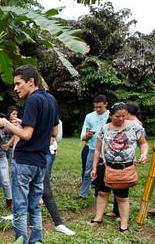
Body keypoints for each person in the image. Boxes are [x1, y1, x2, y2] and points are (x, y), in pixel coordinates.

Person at [0, 65, 58, 244]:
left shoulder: (32, 100)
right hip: (41, 162)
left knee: (20, 207)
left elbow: (27, 135)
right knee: (34, 206)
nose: (15, 88)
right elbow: (53, 131)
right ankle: (36, 243)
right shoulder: (51, 100)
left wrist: (7, 123)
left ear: (31, 82)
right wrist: (24, 123)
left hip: (24, 161)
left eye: (18, 83)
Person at [89, 102, 148, 232]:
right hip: (106, 166)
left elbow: (143, 143)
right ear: (111, 115)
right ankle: (98, 218)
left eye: (124, 116)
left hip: (124, 168)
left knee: (122, 197)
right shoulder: (104, 128)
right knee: (102, 193)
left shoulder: (135, 127)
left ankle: (124, 225)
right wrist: (94, 167)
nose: (121, 119)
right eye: (117, 116)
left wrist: (144, 153)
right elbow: (98, 150)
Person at [42, 120, 75, 236]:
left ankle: (58, 223)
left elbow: (53, 137)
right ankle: (17, 217)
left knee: (46, 193)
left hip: (39, 161)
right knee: (24, 193)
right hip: (26, 162)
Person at [78, 94, 110, 199]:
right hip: (92, 148)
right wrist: (87, 135)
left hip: (107, 150)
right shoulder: (89, 116)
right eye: (96, 107)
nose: (98, 109)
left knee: (104, 173)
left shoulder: (111, 115)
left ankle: (101, 194)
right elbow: (83, 137)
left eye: (100, 107)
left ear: (106, 104)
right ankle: (83, 194)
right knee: (88, 171)